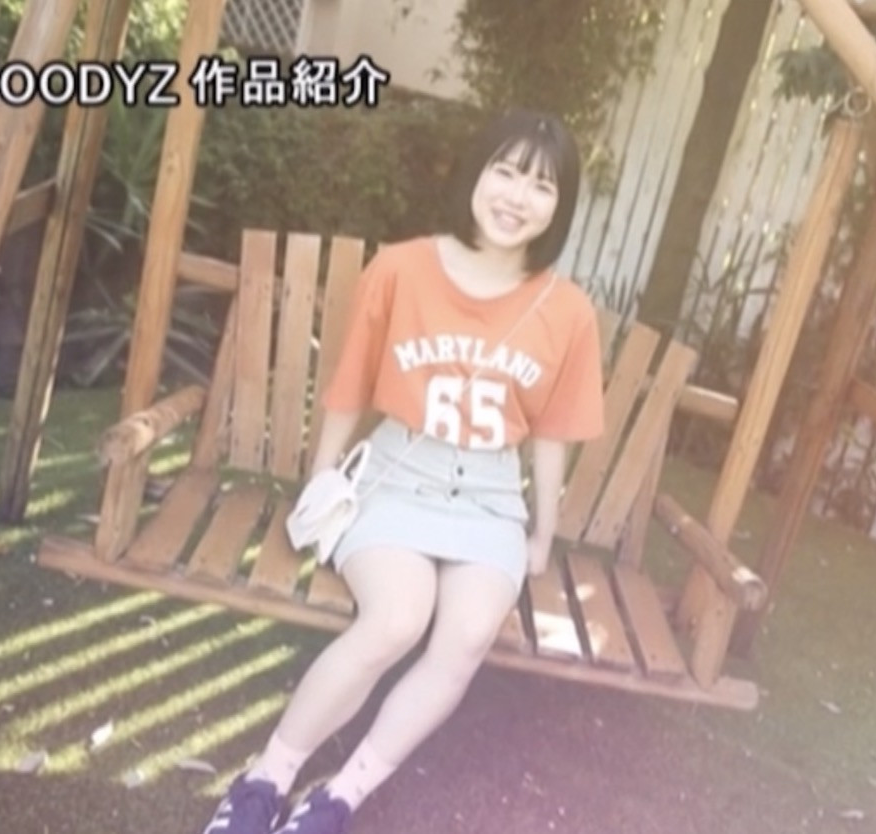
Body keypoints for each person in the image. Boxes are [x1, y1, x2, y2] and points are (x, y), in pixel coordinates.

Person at [198, 109, 606, 834]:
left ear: (560, 204)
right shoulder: (402, 268)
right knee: (395, 618)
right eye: (506, 172)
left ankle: (337, 799)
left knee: (466, 637)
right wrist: (322, 480)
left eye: (542, 185)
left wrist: (543, 534)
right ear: (476, 173)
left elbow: (552, 435)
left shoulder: (568, 310)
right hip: (397, 476)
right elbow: (351, 383)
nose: (517, 197)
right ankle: (263, 783)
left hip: (489, 498)